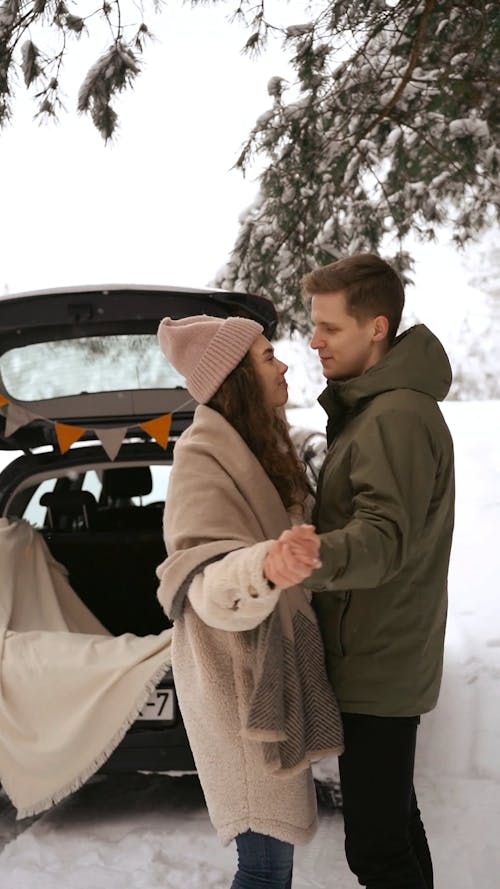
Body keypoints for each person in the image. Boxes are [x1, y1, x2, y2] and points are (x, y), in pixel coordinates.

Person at [267, 253, 455, 889]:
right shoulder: (376, 410)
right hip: (380, 653)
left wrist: (310, 557)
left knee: (376, 850)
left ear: (376, 328)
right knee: (396, 825)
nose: (314, 340)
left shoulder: (395, 416)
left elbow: (383, 539)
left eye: (329, 328)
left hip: (380, 662)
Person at [155, 314, 344, 889]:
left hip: (264, 677)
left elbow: (295, 469)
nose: (284, 364)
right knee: (263, 868)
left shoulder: (261, 444)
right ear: (236, 376)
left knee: (269, 861)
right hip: (238, 687)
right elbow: (205, 580)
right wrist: (264, 565)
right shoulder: (201, 456)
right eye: (267, 357)